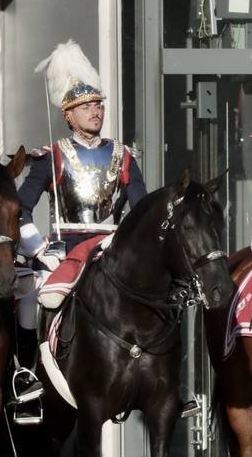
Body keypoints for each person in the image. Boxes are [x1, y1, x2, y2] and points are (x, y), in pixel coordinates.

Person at [14, 41, 152, 417]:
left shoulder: (123, 156)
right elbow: (20, 210)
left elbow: (139, 209)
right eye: (88, 107)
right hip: (66, 249)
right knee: (32, 303)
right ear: (69, 115)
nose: (97, 111)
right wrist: (41, 249)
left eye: (100, 104)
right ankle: (26, 375)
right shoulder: (51, 156)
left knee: (158, 298)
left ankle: (165, 380)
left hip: (110, 248)